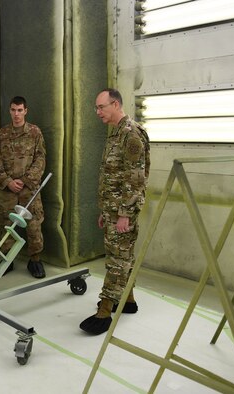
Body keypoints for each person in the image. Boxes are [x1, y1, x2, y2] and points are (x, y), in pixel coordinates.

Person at [80, 88, 150, 335]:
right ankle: (128, 300)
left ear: (116, 104)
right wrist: (106, 210)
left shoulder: (130, 134)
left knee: (117, 259)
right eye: (96, 107)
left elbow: (135, 178)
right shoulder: (116, 134)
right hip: (113, 209)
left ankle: (105, 309)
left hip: (123, 211)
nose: (97, 112)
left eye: (101, 107)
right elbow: (113, 176)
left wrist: (124, 214)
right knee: (122, 255)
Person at [0, 96, 47, 278]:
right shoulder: (2, 134)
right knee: (7, 225)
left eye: (20, 110)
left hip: (29, 189)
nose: (16, 114)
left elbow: (41, 158)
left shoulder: (34, 132)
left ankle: (35, 260)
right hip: (8, 190)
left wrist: (26, 180)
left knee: (34, 226)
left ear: (26, 111)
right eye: (13, 110)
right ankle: (7, 260)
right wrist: (8, 181)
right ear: (10, 111)